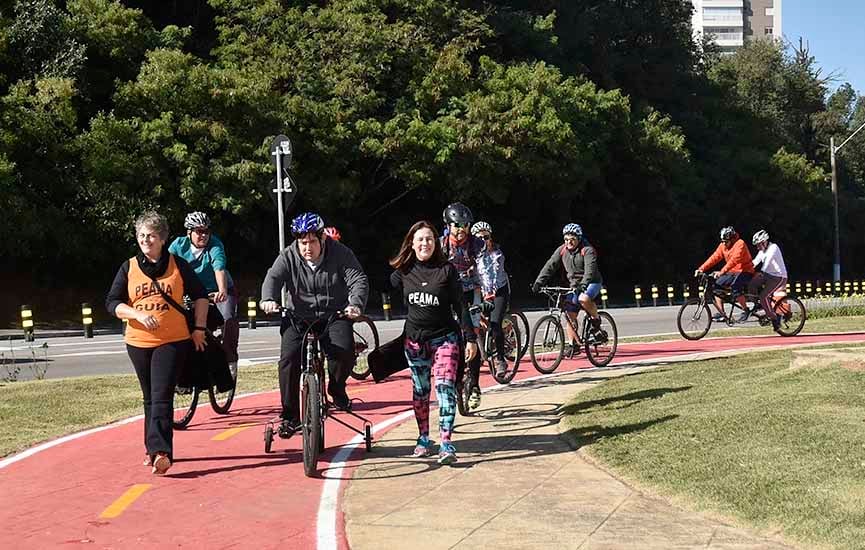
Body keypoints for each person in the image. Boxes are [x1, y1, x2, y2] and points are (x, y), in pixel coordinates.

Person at [106, 210, 208, 475]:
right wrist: (137, 313)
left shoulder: (178, 265)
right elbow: (112, 303)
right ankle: (151, 449)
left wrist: (198, 328)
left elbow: (200, 296)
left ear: (162, 238)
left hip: (172, 340)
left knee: (162, 394)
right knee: (150, 396)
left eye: (151, 235)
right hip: (138, 341)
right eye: (141, 235)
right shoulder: (128, 267)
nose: (145, 240)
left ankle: (162, 452)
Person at [259, 212, 369, 437]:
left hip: (333, 314)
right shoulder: (288, 256)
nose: (307, 247)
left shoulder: (341, 254)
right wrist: (268, 299)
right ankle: (291, 416)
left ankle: (337, 390)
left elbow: (358, 279)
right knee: (288, 361)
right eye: (302, 242)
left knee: (344, 353)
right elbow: (273, 278)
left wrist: (355, 305)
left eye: (311, 241)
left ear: (323, 239)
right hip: (298, 316)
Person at [389, 221, 478, 465]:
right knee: (420, 391)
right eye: (420, 239)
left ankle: (446, 443)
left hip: (445, 339)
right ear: (412, 244)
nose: (425, 243)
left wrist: (470, 338)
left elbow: (461, 305)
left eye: (429, 239)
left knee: (444, 388)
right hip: (415, 342)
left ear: (435, 243)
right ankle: (423, 438)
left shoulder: (447, 270)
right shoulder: (403, 272)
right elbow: (385, 285)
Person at [440, 202, 498, 409]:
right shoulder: (440, 245)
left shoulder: (477, 244)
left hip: (471, 290)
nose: (461, 230)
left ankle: (473, 384)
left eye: (465, 225)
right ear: (448, 225)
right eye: (456, 225)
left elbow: (486, 270)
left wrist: (488, 297)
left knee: (471, 334)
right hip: (448, 293)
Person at [169, 211, 239, 375]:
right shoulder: (178, 246)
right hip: (192, 293)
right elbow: (169, 270)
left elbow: (219, 267)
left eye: (206, 231)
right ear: (189, 232)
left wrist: (221, 290)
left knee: (228, 319)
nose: (203, 235)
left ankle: (230, 358)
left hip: (217, 290)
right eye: (199, 231)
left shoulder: (215, 245)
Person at [532, 223, 604, 354]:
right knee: (570, 313)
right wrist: (539, 282)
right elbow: (550, 265)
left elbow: (590, 271)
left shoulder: (587, 250)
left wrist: (583, 284)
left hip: (592, 282)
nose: (568, 242)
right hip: (575, 285)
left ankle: (596, 320)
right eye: (566, 239)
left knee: (583, 298)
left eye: (572, 239)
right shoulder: (562, 250)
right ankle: (573, 345)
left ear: (579, 239)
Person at [470, 221, 511, 378]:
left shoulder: (497, 255)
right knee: (472, 321)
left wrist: (489, 294)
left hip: (498, 290)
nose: (483, 241)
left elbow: (493, 275)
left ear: (491, 238)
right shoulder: (471, 256)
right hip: (480, 292)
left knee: (495, 324)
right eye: (479, 239)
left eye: (486, 237)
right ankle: (478, 355)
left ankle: (501, 360)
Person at [694, 226, 755, 322]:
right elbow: (714, 257)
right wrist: (701, 269)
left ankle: (746, 310)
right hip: (732, 272)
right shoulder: (723, 245)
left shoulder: (740, 244)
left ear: (732, 239)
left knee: (736, 287)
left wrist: (721, 272)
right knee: (717, 286)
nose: (724, 243)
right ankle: (722, 313)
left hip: (745, 271)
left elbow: (734, 261)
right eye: (722, 241)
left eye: (726, 241)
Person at [747, 230, 788, 331]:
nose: (757, 247)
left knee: (763, 296)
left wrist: (760, 273)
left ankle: (775, 319)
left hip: (779, 277)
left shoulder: (773, 247)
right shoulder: (762, 251)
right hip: (768, 275)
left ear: (764, 242)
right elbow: (755, 262)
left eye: (758, 245)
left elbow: (767, 262)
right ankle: (760, 305)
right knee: (751, 285)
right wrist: (744, 269)